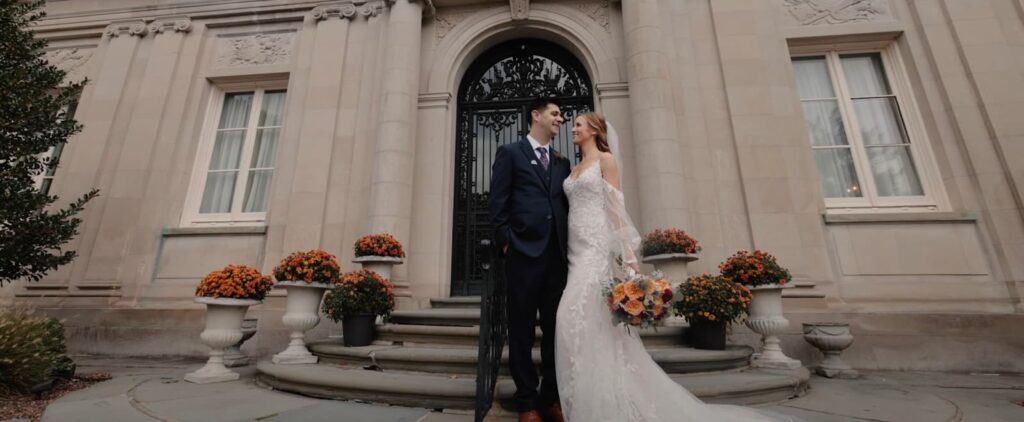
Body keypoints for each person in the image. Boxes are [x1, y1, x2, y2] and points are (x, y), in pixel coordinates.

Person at [554, 112, 794, 421]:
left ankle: (606, 400)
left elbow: (616, 210)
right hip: (575, 248)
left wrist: (629, 261)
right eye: (573, 124)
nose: (573, 129)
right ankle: (584, 395)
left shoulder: (606, 161)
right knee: (575, 321)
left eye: (578, 125)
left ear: (594, 130)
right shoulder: (574, 168)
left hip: (596, 246)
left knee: (575, 314)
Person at [488, 98, 571, 422]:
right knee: (521, 330)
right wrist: (507, 243)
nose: (560, 119)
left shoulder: (562, 163)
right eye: (555, 113)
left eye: (562, 115)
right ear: (535, 116)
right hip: (523, 254)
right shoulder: (510, 153)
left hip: (557, 258)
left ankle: (550, 397)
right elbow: (498, 204)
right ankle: (527, 402)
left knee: (554, 331)